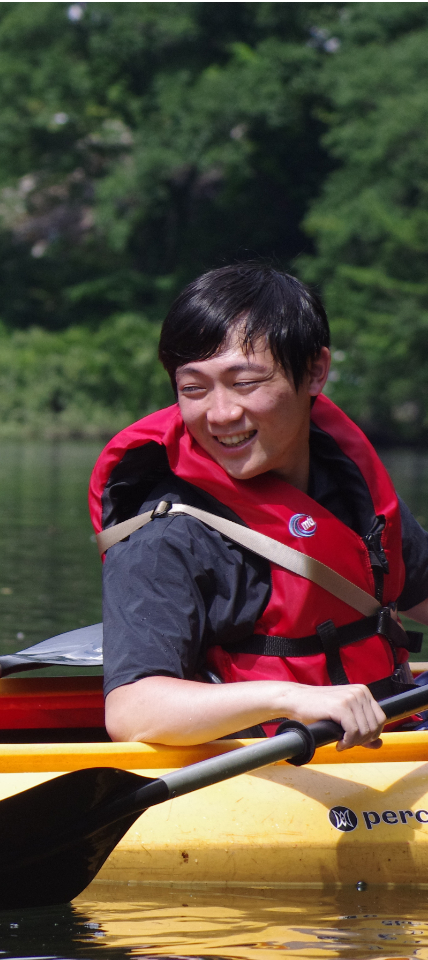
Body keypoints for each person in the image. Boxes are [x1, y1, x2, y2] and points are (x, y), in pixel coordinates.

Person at [91, 264, 428, 750]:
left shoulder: (349, 487)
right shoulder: (165, 534)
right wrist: (288, 698)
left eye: (245, 382)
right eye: (194, 388)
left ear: (315, 371)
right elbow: (131, 710)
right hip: (269, 762)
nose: (222, 413)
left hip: (391, 741)